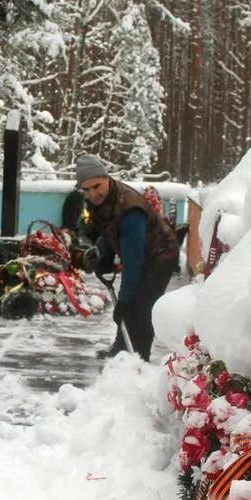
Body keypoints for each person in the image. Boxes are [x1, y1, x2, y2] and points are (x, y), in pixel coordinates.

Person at [74, 153, 178, 361]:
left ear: (106, 178)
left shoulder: (130, 208)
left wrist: (124, 301)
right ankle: (121, 349)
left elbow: (134, 261)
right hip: (138, 251)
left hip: (160, 255)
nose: (93, 194)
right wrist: (105, 256)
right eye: (86, 189)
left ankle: (139, 358)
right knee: (130, 303)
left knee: (141, 305)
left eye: (96, 186)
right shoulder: (100, 201)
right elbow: (108, 230)